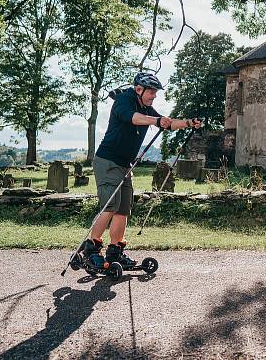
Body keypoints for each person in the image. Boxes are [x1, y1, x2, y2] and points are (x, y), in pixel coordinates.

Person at [82, 71, 202, 270]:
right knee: (110, 206)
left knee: (123, 209)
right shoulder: (123, 101)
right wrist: (155, 121)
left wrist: (189, 123)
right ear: (139, 89)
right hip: (107, 160)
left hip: (125, 164)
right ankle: (91, 250)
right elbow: (134, 118)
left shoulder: (145, 106)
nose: (154, 96)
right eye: (152, 92)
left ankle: (115, 252)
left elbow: (167, 122)